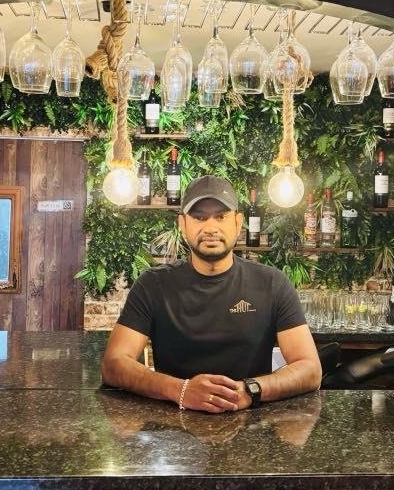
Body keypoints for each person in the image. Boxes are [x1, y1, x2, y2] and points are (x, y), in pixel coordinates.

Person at [101, 175, 322, 413]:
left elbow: (310, 369)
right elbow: (113, 364)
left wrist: (250, 391)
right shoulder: (153, 285)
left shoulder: (272, 283)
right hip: (173, 424)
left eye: (221, 216)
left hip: (252, 425)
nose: (210, 228)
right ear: (182, 224)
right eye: (199, 217)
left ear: (238, 222)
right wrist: (182, 391)